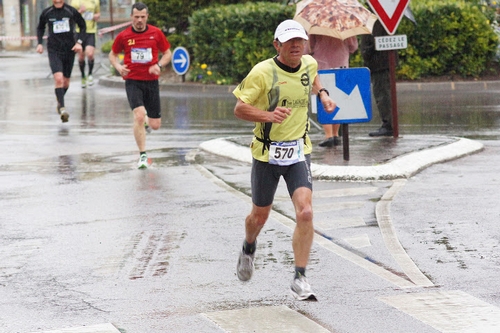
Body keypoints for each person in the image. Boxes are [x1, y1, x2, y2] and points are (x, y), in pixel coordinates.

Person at [233, 19, 336, 301]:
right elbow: (240, 109)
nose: (295, 46)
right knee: (259, 216)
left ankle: (300, 277)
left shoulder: (308, 63)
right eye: (289, 41)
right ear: (277, 45)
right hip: (267, 152)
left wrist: (323, 95)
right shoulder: (262, 73)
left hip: (298, 150)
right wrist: (269, 115)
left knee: (305, 212)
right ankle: (249, 247)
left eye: (299, 41)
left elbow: (313, 77)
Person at [108, 2, 172, 169]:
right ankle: (143, 155)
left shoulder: (156, 33)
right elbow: (112, 55)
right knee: (139, 115)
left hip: (151, 82)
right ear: (131, 17)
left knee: (155, 125)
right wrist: (119, 67)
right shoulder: (124, 36)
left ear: (147, 17)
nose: (139, 20)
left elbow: (167, 53)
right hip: (133, 81)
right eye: (136, 17)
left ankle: (143, 126)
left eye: (143, 17)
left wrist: (159, 65)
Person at [36, 0, 86, 123]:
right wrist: (39, 44)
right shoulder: (47, 12)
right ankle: (63, 108)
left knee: (66, 83)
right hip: (54, 50)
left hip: (69, 49)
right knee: (58, 79)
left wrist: (79, 43)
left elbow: (83, 25)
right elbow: (40, 28)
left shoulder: (71, 11)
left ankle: (59, 100)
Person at [305, 35, 358, 147]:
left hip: (322, 64)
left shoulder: (316, 25)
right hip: (341, 64)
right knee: (337, 99)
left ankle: (329, 135)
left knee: (323, 99)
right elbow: (353, 46)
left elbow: (309, 48)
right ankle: (335, 134)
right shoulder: (345, 24)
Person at [361, 20, 395, 137]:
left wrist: (366, 52)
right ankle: (389, 124)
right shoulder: (380, 19)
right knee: (383, 92)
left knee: (382, 94)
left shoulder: (376, 20)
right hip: (381, 63)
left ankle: (389, 125)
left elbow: (375, 42)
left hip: (379, 63)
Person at [71, 0, 101, 88]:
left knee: (90, 54)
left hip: (90, 31)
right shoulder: (75, 2)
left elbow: (98, 13)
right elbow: (70, 17)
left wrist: (96, 16)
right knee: (81, 57)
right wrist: (80, 11)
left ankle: (90, 74)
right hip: (79, 32)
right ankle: (83, 75)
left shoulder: (95, 1)